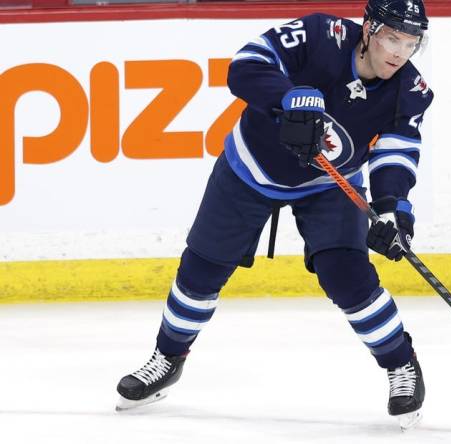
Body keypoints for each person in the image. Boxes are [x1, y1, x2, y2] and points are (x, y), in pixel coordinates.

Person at [115, 0, 434, 430]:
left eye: (410, 43)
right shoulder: (321, 35)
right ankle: (167, 358)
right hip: (251, 168)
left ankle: (401, 364)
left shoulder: (411, 90)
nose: (399, 52)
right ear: (368, 28)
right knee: (201, 269)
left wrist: (393, 208)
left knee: (348, 275)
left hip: (329, 183)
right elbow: (245, 65)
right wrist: (288, 97)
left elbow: (397, 151)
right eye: (392, 37)